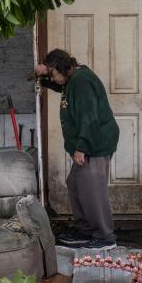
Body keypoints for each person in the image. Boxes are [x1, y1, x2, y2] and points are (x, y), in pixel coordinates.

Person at [35, 49, 119, 250]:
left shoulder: (81, 82)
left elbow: (89, 118)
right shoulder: (73, 78)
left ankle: (105, 237)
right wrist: (43, 76)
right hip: (89, 143)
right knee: (76, 183)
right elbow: (61, 85)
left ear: (62, 68)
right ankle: (85, 230)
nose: (53, 79)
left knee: (93, 190)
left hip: (95, 143)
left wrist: (82, 148)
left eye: (53, 74)